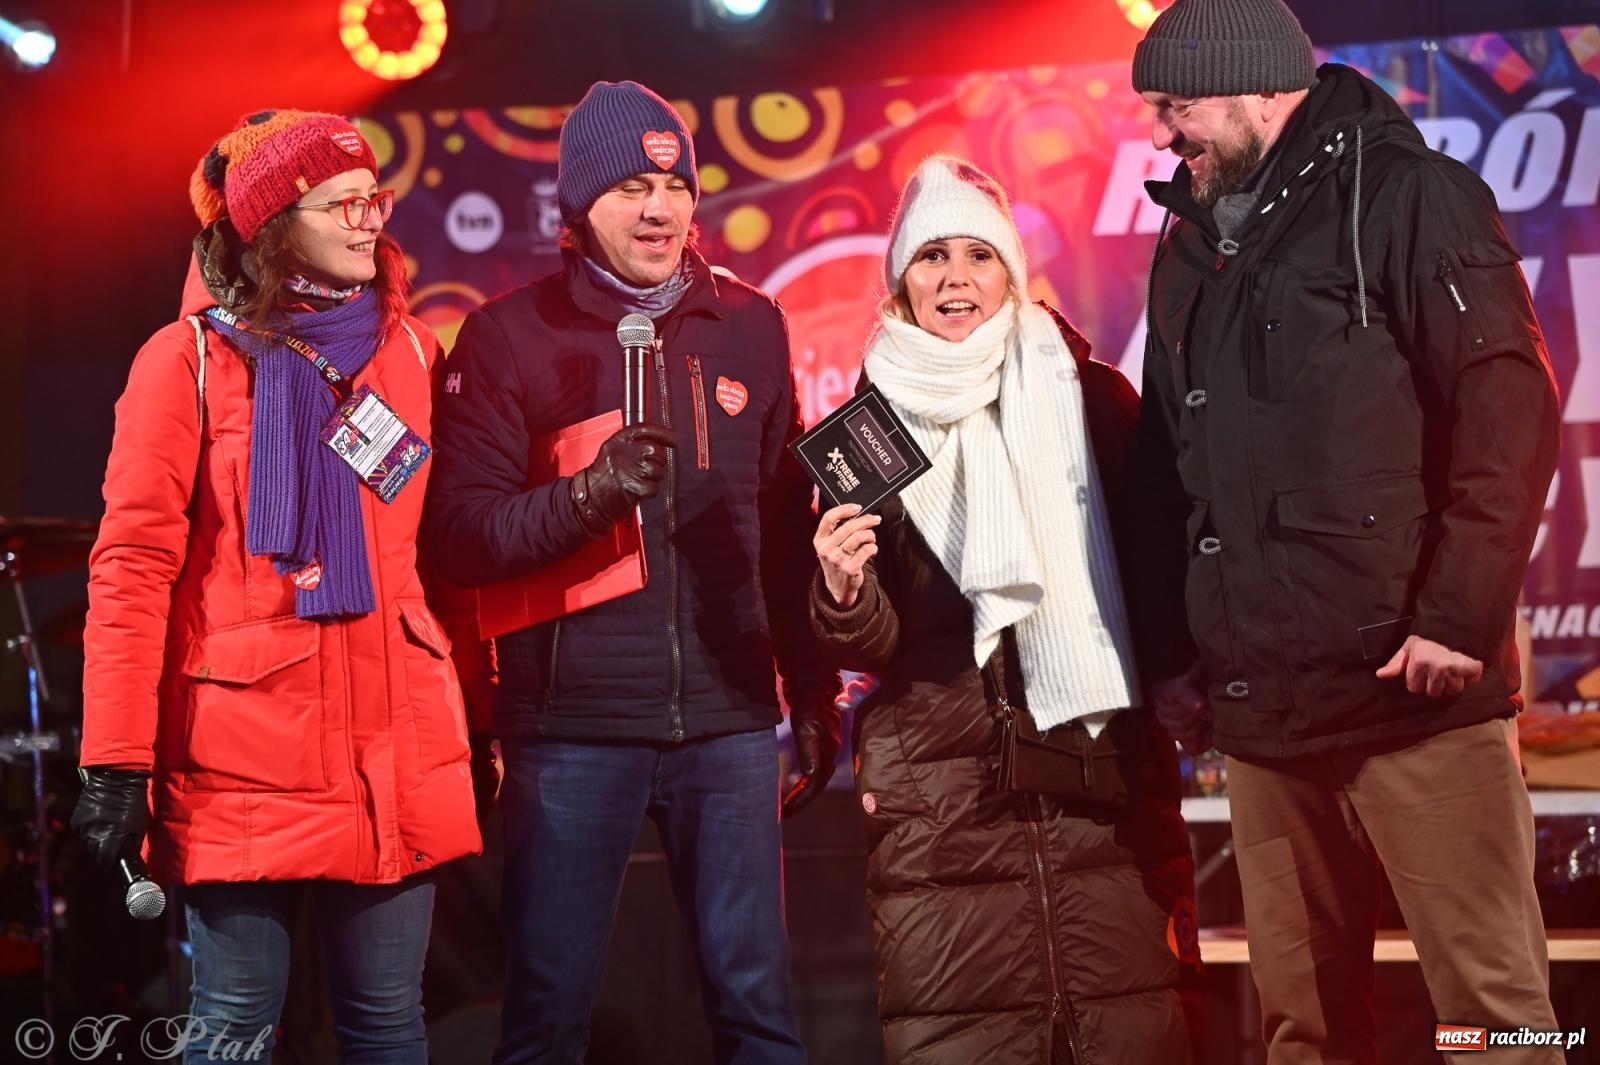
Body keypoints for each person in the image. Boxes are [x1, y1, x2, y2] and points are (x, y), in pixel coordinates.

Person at [1127, 0, 1564, 1060]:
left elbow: (1509, 415)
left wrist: (1457, 619)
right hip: (1265, 719)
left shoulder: (1411, 195)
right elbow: (1163, 473)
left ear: (1261, 91)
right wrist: (1176, 657)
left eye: (1177, 106)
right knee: (1303, 1032)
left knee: (1495, 1021)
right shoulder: (1187, 244)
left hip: (1414, 695)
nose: (1161, 133)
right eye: (1155, 108)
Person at [421, 80, 842, 1065]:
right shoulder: (506, 335)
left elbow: (784, 531)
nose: (658, 209)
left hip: (732, 723)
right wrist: (586, 496)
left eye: (674, 185)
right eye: (629, 188)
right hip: (571, 730)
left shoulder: (753, 324)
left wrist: (812, 688)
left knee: (758, 1013)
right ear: (576, 206)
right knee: (547, 1018)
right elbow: (459, 537)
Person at [68, 109, 483, 1065]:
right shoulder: (186, 362)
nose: (369, 221)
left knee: (389, 1024)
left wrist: (483, 719)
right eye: (342, 204)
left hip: (396, 749)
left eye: (374, 199)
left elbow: (443, 563)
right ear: (272, 223)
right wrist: (116, 761)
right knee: (235, 1026)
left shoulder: (413, 352)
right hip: (241, 758)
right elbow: (131, 571)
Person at [811, 155, 1203, 1065]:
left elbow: (1157, 576)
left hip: (1100, 780)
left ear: (1011, 273)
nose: (956, 277)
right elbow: (876, 639)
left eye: (979, 254)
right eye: (932, 256)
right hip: (946, 804)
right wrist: (841, 592)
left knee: (1131, 1030)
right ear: (902, 282)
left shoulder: (1092, 398)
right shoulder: (863, 428)